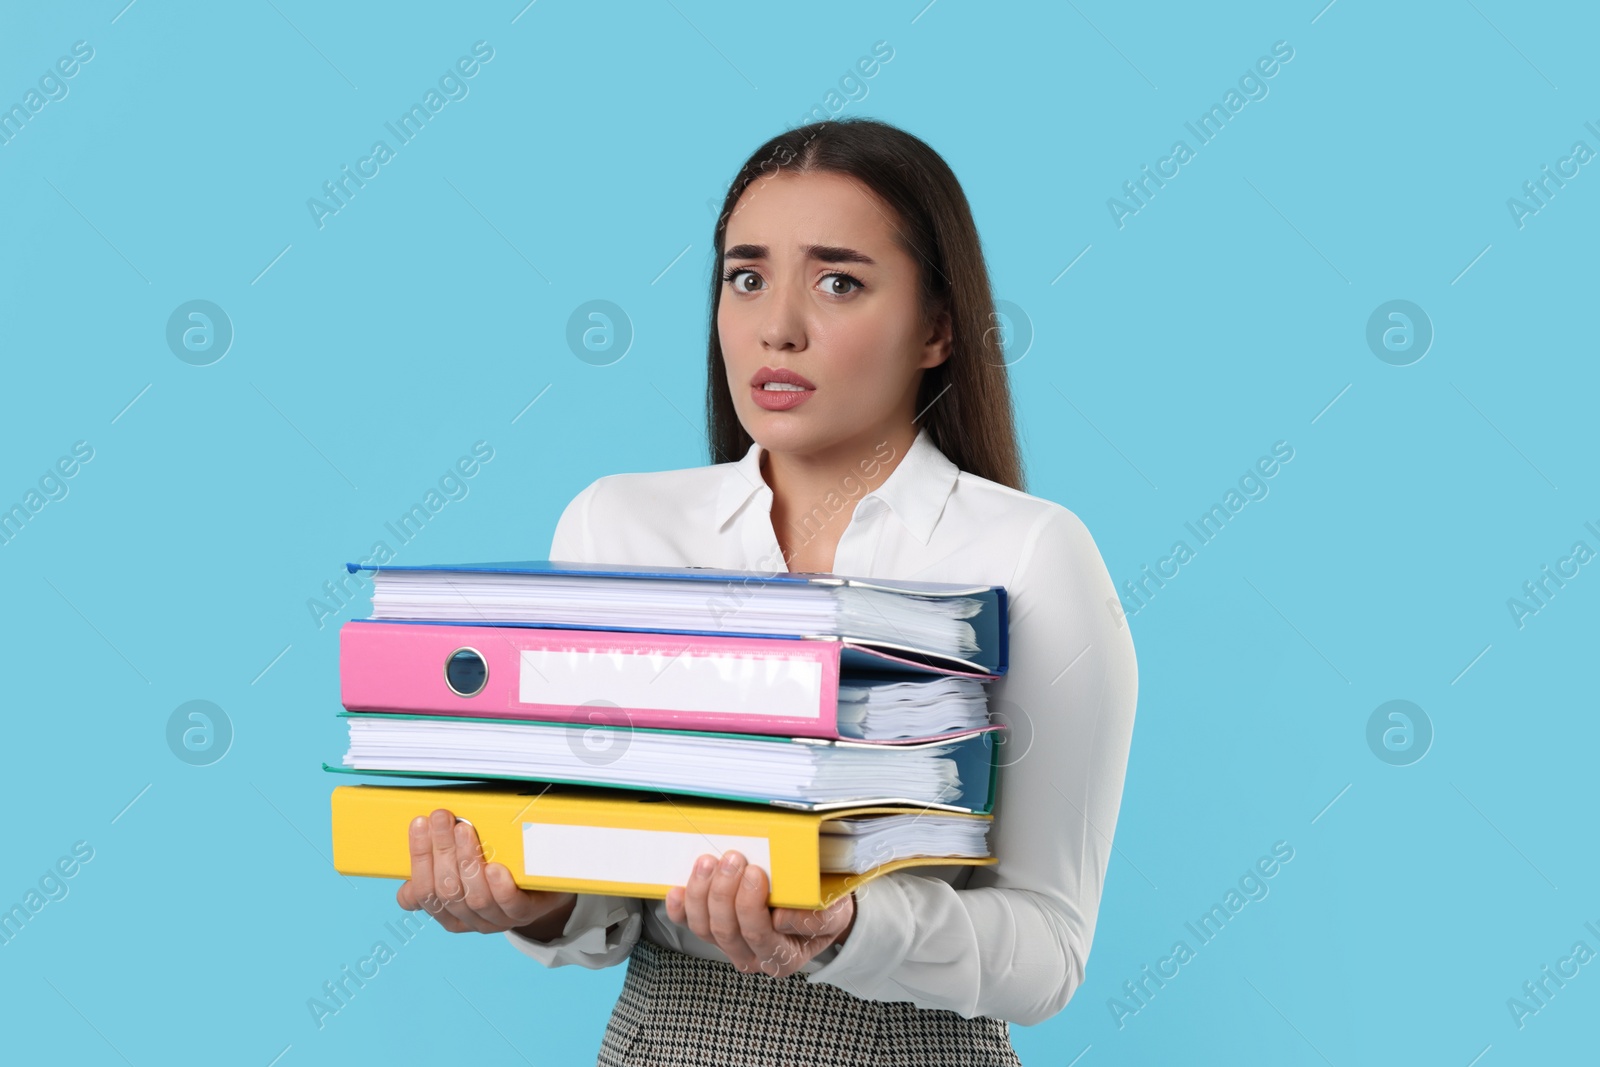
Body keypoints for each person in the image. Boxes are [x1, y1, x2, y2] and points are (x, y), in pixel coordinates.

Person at [395, 117, 1138, 1065]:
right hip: (660, 1043)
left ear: (938, 328)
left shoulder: (1032, 555)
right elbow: (599, 882)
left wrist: (849, 923)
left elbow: (1050, 950)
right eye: (746, 276)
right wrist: (532, 901)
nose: (777, 324)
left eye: (839, 281)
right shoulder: (617, 528)